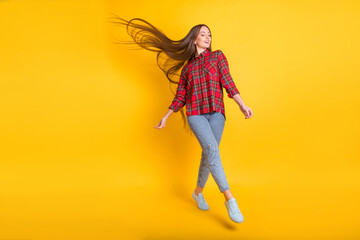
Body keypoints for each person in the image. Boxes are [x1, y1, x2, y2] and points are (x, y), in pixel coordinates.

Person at [110, 17, 253, 223]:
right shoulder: (187, 69)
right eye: (202, 34)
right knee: (212, 151)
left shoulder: (218, 57)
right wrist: (166, 116)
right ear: (194, 39)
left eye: (209, 34)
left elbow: (228, 81)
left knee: (208, 154)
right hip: (195, 113)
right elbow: (181, 96)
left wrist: (242, 104)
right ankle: (230, 199)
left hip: (216, 113)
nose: (207, 37)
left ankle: (197, 192)